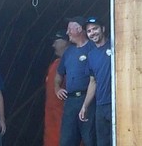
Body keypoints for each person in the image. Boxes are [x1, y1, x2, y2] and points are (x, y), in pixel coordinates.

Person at [55, 16, 96, 146]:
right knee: (67, 140)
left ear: (79, 29)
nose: (67, 33)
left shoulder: (92, 47)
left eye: (69, 29)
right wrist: (57, 88)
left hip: (88, 99)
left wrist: (86, 104)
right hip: (70, 102)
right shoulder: (68, 52)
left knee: (90, 139)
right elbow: (58, 75)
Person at [79, 17, 112, 146]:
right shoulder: (91, 55)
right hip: (100, 105)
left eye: (95, 28)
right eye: (89, 31)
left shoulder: (115, 46)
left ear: (103, 29)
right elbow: (93, 82)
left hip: (116, 103)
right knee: (102, 142)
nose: (92, 32)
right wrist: (85, 106)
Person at [44, 30, 70, 146]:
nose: (53, 45)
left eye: (56, 42)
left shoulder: (72, 62)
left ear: (65, 42)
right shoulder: (54, 64)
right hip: (51, 119)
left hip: (65, 117)